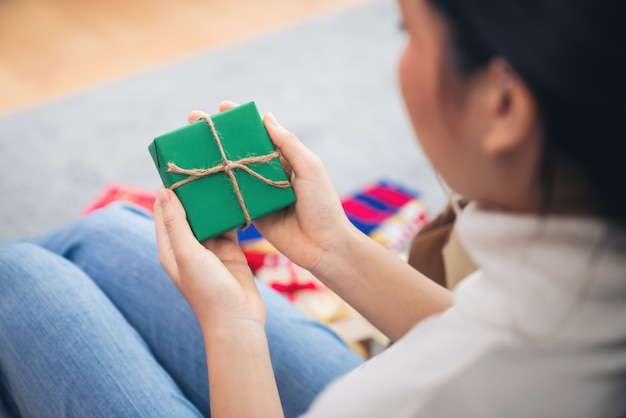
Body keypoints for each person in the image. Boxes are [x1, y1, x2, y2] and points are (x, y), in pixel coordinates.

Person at [1, 0, 625, 416]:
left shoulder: (411, 395)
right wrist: (335, 247)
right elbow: (491, 346)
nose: (402, 55)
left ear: (503, 106)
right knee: (105, 235)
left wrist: (233, 327)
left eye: (408, 30)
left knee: (19, 277)